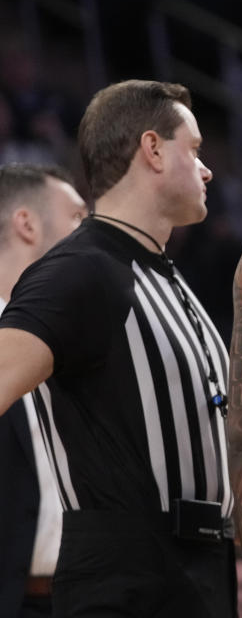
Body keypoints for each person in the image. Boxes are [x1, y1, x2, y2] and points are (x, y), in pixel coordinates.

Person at [0, 80, 242, 617]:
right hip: (126, 587)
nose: (207, 168)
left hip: (191, 571)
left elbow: (162, 468)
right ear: (152, 149)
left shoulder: (163, 273)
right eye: (193, 149)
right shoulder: (80, 271)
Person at [0, 163, 86, 618]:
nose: (88, 233)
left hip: (89, 597)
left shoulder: (85, 336)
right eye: (76, 217)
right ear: (27, 223)